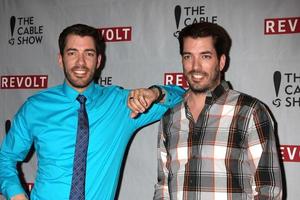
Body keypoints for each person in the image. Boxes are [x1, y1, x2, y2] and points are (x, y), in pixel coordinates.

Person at [0, 24, 185, 200]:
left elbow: (183, 97)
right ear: (60, 59)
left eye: (88, 54)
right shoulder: (36, 107)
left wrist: (155, 93)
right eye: (72, 53)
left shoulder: (121, 104)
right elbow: (4, 159)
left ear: (98, 61)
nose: (80, 62)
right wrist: (16, 195)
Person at [153, 22, 283, 199]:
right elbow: (163, 187)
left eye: (205, 56)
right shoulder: (169, 117)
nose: (195, 66)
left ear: (221, 62)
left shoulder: (249, 112)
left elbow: (268, 191)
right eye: (188, 56)